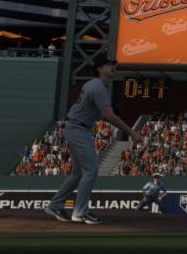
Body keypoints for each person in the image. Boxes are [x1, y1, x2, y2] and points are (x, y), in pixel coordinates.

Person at [44, 59, 143, 225]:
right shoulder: (98, 87)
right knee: (91, 170)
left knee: (78, 173)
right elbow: (108, 115)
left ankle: (55, 205)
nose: (113, 67)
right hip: (78, 128)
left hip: (75, 126)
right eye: (109, 64)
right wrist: (131, 132)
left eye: (114, 65)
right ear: (99, 68)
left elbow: (103, 114)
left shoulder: (94, 85)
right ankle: (80, 212)